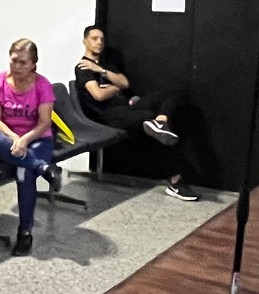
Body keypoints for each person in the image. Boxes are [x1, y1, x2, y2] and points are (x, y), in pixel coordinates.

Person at [76, 24, 197, 201]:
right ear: (85, 41)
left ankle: (161, 120)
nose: (99, 42)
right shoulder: (82, 68)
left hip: (127, 107)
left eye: (102, 39)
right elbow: (99, 94)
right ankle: (176, 182)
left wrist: (102, 71)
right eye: (94, 39)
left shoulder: (105, 64)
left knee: (175, 91)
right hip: (108, 115)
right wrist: (113, 86)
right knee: (154, 126)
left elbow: (125, 83)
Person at [0, 38, 57, 257]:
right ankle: (43, 168)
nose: (17, 67)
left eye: (23, 63)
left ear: (34, 63)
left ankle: (25, 232)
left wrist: (24, 140)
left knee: (24, 172)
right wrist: (15, 138)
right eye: (14, 61)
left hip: (37, 139)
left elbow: (45, 123)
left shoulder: (43, 85)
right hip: (7, 139)